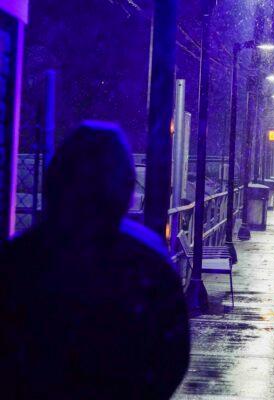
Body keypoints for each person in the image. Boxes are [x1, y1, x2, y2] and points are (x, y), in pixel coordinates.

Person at [0, 122, 190, 399]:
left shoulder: (20, 258)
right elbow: (171, 357)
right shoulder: (148, 262)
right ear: (124, 185)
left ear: (56, 180)